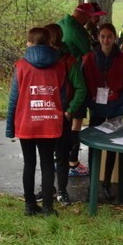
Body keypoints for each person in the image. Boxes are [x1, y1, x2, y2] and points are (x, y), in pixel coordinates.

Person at [5, 27, 67, 216]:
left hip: (27, 122)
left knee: (29, 163)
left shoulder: (21, 66)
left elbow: (14, 99)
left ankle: (30, 205)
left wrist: (10, 127)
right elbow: (63, 97)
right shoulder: (59, 66)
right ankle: (48, 207)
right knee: (48, 163)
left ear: (29, 43)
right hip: (49, 121)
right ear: (50, 43)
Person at [81, 23, 123, 200]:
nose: (106, 40)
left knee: (112, 147)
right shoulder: (88, 59)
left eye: (109, 36)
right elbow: (82, 84)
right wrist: (90, 102)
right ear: (98, 37)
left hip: (115, 109)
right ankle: (93, 185)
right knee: (94, 147)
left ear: (114, 38)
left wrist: (120, 101)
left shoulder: (122, 59)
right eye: (103, 36)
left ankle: (106, 184)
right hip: (96, 108)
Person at [59, 1, 106, 177]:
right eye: (93, 17)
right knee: (77, 120)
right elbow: (92, 53)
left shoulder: (62, 23)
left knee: (66, 119)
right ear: (86, 16)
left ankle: (62, 159)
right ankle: (72, 161)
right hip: (75, 80)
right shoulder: (78, 30)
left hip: (61, 81)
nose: (94, 20)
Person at [42, 23, 86, 206]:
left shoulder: (69, 61)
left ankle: (62, 191)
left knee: (61, 155)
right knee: (45, 156)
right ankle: (48, 190)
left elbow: (81, 88)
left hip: (61, 115)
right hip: (44, 113)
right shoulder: (42, 59)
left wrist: (69, 112)